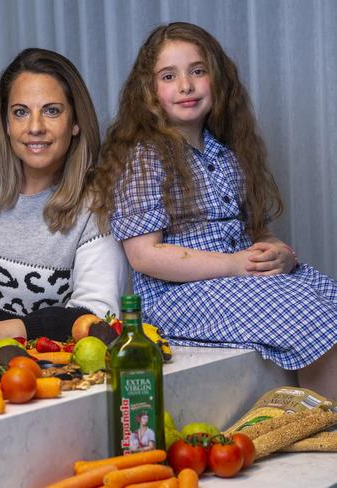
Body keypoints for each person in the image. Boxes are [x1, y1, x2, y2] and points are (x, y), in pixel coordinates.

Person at [94, 22, 337, 399]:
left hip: (237, 282)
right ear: (150, 92)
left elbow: (255, 234)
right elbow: (144, 255)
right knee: (305, 309)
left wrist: (282, 256)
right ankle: (330, 432)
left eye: (197, 70)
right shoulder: (146, 157)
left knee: (327, 293)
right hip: (177, 298)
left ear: (216, 79)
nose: (186, 85)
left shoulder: (226, 153)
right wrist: (233, 265)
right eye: (169, 76)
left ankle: (321, 430)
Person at [0, 48, 127, 349]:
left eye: (52, 111)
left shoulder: (96, 204)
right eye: (20, 112)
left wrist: (7, 330)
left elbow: (97, 315)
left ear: (75, 122)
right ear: (7, 124)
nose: (35, 127)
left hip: (35, 374)